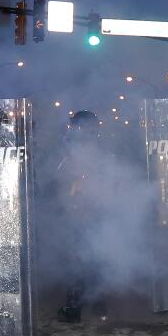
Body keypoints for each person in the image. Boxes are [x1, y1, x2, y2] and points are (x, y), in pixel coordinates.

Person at [54, 109, 100, 323]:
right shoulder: (90, 144)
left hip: (83, 210)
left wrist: (73, 194)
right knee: (90, 258)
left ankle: (74, 308)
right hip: (88, 209)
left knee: (78, 259)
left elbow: (76, 177)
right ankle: (99, 304)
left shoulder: (81, 147)